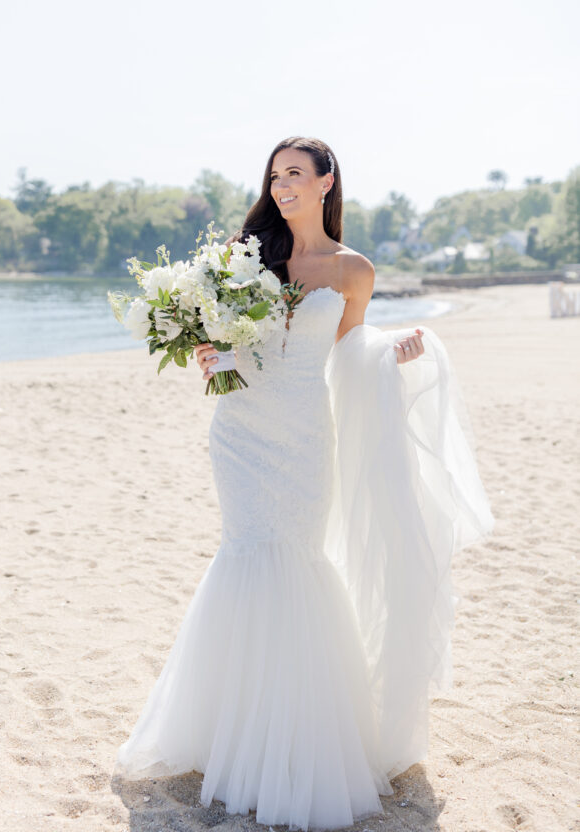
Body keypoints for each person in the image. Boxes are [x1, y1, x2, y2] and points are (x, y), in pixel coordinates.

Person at [113, 136, 495, 830]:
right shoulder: (243, 256)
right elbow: (226, 345)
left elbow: (349, 351)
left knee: (295, 559)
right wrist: (208, 351)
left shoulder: (353, 270)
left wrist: (395, 349)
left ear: (326, 182)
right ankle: (231, 733)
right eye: (274, 176)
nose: (282, 185)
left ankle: (296, 731)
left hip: (303, 436)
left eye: (295, 174)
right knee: (245, 555)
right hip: (240, 430)